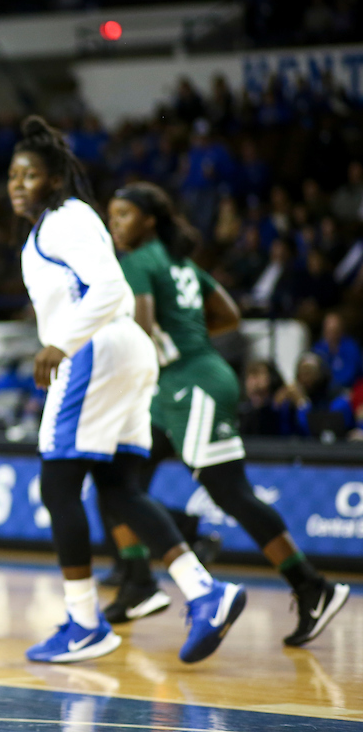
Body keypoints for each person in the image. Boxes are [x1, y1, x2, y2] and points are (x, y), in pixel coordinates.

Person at [8, 116, 244, 665]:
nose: (18, 184)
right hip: (125, 351)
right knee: (119, 490)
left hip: (97, 351)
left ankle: (85, 621)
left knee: (58, 487)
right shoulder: (62, 223)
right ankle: (204, 590)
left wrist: (61, 342)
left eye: (30, 175)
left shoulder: (65, 220)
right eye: (13, 175)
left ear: (55, 180)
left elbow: (110, 287)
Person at [104, 182, 349, 645]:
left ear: (150, 220)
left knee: (231, 494)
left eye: (124, 215)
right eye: (112, 216)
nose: (115, 224)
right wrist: (183, 336)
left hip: (190, 385)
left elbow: (140, 329)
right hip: (172, 387)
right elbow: (229, 313)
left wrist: (163, 349)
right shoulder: (180, 263)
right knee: (116, 479)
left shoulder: (138, 261)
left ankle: (311, 585)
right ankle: (137, 579)